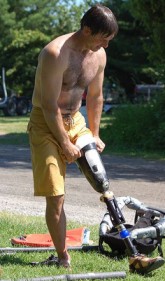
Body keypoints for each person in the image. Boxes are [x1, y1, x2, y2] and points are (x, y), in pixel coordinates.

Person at [28, 4, 164, 273]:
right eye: (103, 38)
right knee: (56, 196)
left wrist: (95, 133)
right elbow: (48, 105)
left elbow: (95, 97)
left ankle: (134, 254)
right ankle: (62, 257)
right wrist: (65, 143)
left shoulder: (98, 54)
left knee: (102, 183)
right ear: (87, 29)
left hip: (75, 121)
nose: (106, 45)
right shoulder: (55, 53)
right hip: (46, 124)